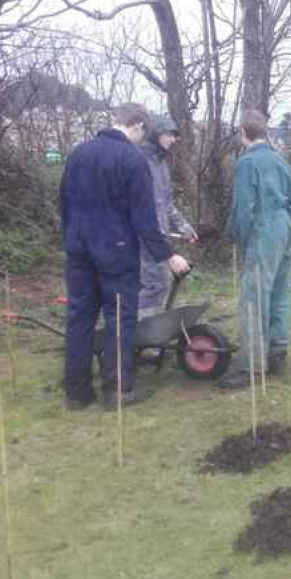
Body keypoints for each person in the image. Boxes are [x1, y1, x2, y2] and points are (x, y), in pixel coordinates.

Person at [59, 103, 190, 411]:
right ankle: (118, 391)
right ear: (139, 127)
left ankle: (76, 393)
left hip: (78, 251)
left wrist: (72, 240)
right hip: (116, 253)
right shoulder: (132, 159)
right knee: (120, 319)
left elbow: (64, 204)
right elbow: (145, 221)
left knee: (79, 318)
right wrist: (169, 256)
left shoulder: (78, 153)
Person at [219, 109, 291, 389]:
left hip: (262, 231)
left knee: (253, 298)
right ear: (264, 132)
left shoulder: (246, 163)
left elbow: (243, 209)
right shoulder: (280, 160)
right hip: (284, 229)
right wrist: (284, 222)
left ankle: (251, 367)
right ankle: (278, 352)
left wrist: (242, 239)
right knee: (279, 291)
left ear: (243, 133)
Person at [138, 115, 198, 318]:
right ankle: (139, 337)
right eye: (169, 135)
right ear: (155, 134)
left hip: (159, 237)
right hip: (143, 237)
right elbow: (147, 209)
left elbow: (166, 203)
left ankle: (148, 333)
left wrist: (184, 227)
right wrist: (168, 250)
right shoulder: (140, 161)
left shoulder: (160, 163)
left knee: (160, 283)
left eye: (175, 136)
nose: (174, 140)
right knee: (153, 284)